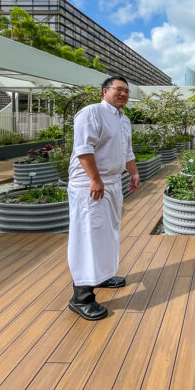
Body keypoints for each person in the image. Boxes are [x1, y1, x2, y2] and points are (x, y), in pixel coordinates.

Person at [66, 76, 140, 320]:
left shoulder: (124, 120)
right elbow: (83, 149)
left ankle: (103, 275)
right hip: (90, 185)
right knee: (89, 235)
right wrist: (95, 180)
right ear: (105, 91)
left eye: (127, 91)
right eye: (119, 89)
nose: (124, 94)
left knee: (109, 232)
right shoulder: (92, 113)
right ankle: (81, 297)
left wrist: (134, 172)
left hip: (112, 183)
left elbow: (127, 150)